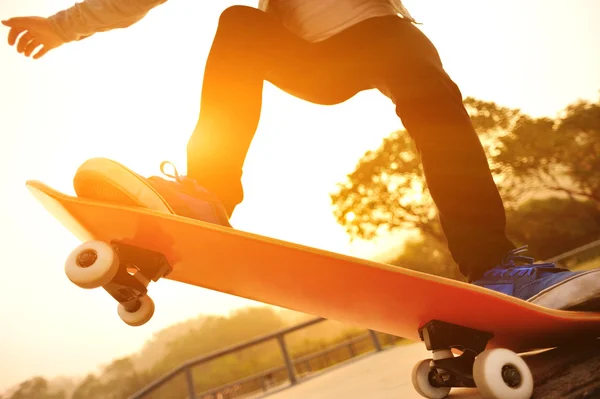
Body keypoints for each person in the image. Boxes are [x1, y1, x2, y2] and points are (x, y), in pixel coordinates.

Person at [3, 0, 599, 311]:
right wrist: (63, 26)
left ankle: (494, 264)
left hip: (383, 33)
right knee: (237, 26)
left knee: (426, 87)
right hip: (308, 56)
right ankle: (206, 195)